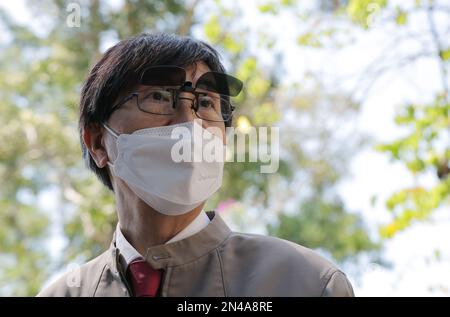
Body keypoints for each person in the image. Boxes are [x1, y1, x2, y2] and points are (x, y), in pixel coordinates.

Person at [37, 33, 354, 297]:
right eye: (160, 97)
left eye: (206, 103)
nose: (189, 124)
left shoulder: (304, 283)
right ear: (97, 142)